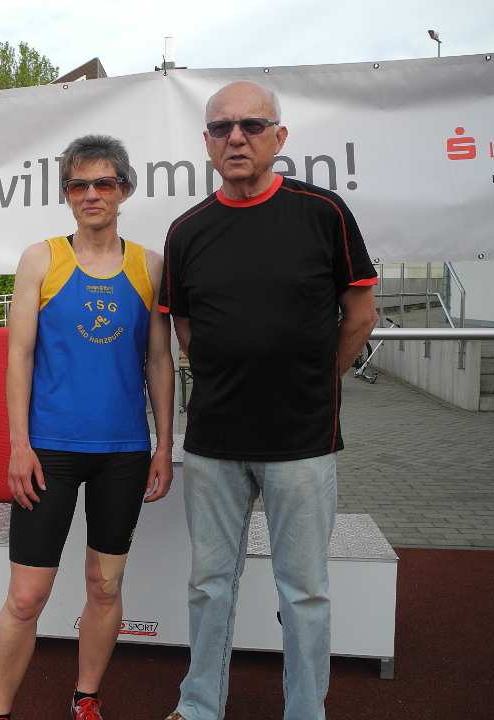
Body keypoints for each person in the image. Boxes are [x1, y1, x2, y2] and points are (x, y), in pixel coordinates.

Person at [159, 81, 378, 720]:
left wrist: (315, 378)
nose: (236, 137)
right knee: (209, 585)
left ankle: (306, 711)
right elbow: (186, 329)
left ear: (278, 138)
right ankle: (200, 706)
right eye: (221, 128)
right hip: (214, 443)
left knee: (304, 591)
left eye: (252, 125)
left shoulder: (324, 212)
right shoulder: (187, 231)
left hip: (301, 441)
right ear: (206, 142)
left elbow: (361, 314)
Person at [0, 135, 174, 720]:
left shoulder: (150, 265)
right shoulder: (41, 259)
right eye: (78, 185)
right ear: (67, 194)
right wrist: (19, 445)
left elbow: (159, 360)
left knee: (105, 586)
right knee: (27, 595)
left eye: (104, 183)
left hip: (123, 451)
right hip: (49, 451)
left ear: (124, 190)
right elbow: (19, 356)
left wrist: (164, 445)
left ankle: (85, 696)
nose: (91, 194)